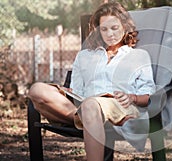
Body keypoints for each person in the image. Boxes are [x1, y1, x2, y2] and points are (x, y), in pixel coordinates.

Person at [28, 2, 155, 161]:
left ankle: (89, 117)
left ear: (125, 26)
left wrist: (132, 97)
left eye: (114, 28)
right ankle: (88, 118)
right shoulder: (85, 55)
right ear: (98, 31)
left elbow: (148, 96)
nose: (110, 34)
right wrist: (66, 92)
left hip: (120, 107)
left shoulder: (138, 56)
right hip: (84, 106)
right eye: (104, 29)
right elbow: (77, 92)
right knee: (37, 89)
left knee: (90, 105)